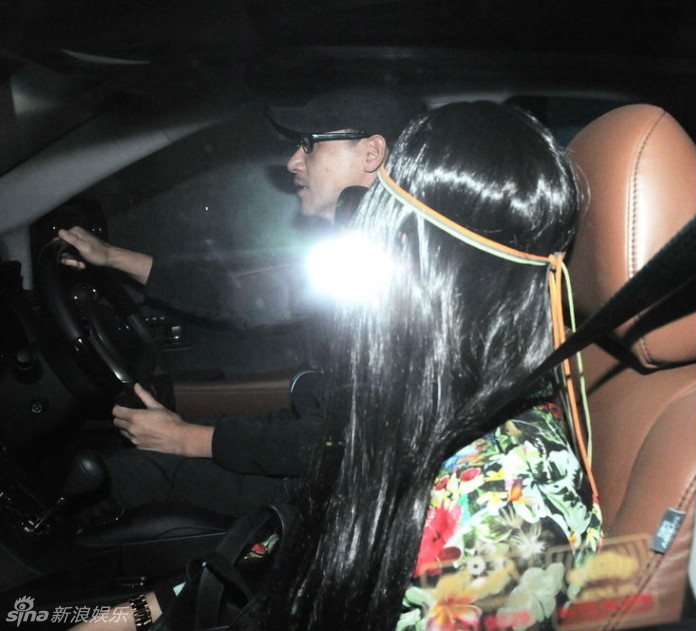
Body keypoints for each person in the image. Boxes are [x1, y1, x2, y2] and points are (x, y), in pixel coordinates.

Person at [71, 101, 604, 630]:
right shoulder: (416, 411)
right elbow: (303, 552)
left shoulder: (503, 502)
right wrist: (167, 604)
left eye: (379, 228)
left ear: (423, 260)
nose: (293, 162)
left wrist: (192, 442)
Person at [57, 87, 425, 516]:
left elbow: (356, 441)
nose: (293, 161)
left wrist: (188, 439)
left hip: (347, 496)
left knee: (131, 477)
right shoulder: (361, 256)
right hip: (327, 459)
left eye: (309, 144)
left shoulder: (406, 271)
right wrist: (113, 258)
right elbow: (243, 297)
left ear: (371, 153)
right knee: (142, 460)